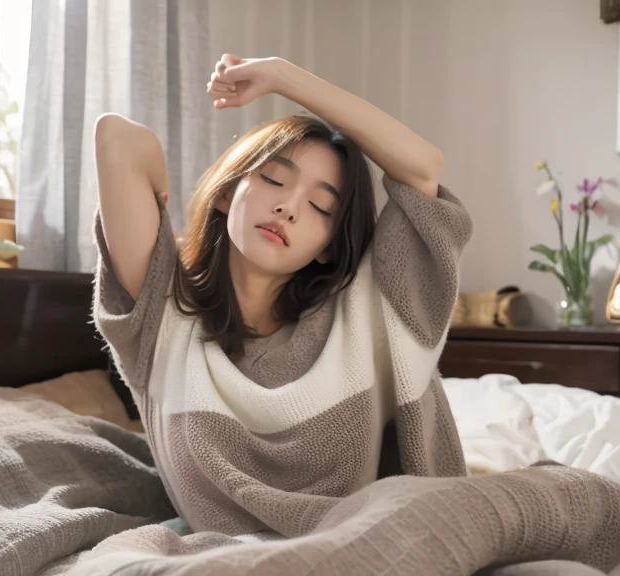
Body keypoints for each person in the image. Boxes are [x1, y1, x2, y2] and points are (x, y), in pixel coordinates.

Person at [92, 54, 473, 537]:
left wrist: (280, 75)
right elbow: (116, 139)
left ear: (327, 248)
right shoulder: (163, 316)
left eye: (319, 206)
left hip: (369, 544)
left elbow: (423, 168)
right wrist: (158, 197)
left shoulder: (369, 310)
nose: (288, 207)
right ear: (227, 194)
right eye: (273, 178)